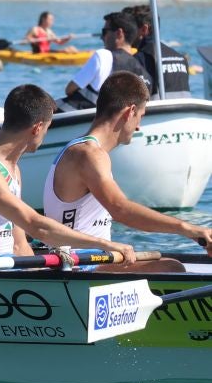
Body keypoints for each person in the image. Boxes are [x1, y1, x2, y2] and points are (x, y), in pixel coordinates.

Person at [0, 84, 136, 263]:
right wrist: (104, 244)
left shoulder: (13, 170)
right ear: (37, 128)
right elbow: (35, 225)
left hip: (3, 272)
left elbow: (19, 245)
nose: (45, 134)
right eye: (47, 128)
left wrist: (43, 274)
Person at [45, 71, 212, 269]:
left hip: (91, 261)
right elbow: (121, 209)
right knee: (171, 268)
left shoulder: (83, 150)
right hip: (77, 266)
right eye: (140, 116)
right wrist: (188, 229)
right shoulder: (89, 154)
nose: (139, 127)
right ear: (130, 112)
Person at [58, 11, 151, 112]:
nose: (101, 37)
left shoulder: (103, 55)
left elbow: (69, 89)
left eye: (104, 31)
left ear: (119, 33)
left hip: (83, 117)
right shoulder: (144, 71)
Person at [122, 4, 190, 99]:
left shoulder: (138, 60)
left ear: (144, 29)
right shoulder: (181, 58)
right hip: (186, 108)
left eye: (130, 29)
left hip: (157, 108)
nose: (126, 34)